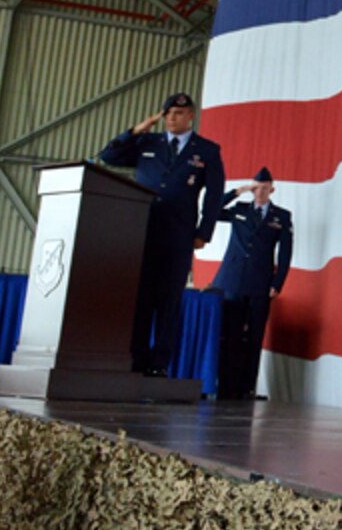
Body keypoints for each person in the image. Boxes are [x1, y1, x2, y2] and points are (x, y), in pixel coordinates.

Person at [100, 92, 227, 376]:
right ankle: (135, 359)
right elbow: (108, 156)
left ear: (191, 116)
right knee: (141, 298)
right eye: (167, 113)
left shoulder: (206, 150)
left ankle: (159, 364)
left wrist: (204, 233)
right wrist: (136, 130)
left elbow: (215, 195)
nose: (172, 118)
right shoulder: (148, 142)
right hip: (142, 231)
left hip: (179, 235)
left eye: (179, 113)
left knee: (168, 301)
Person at [212, 167, 294, 401]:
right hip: (233, 279)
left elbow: (285, 254)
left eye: (264, 188)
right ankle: (225, 386)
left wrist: (277, 283)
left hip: (260, 282)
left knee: (255, 335)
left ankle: (246, 388)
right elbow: (212, 211)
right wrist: (237, 191)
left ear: (272, 190)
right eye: (256, 188)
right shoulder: (240, 210)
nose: (260, 192)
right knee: (230, 335)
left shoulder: (281, 216)